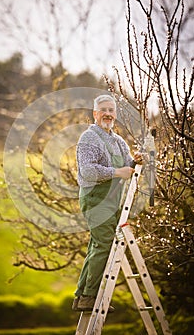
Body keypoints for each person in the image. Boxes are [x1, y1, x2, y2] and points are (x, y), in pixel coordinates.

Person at [72, 94, 142, 312]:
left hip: (110, 201)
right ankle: (89, 297)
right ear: (95, 114)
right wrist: (117, 172)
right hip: (95, 198)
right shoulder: (88, 138)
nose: (108, 114)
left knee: (97, 244)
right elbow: (88, 171)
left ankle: (81, 296)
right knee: (103, 244)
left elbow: (125, 166)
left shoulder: (118, 140)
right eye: (104, 110)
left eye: (111, 110)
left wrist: (135, 161)